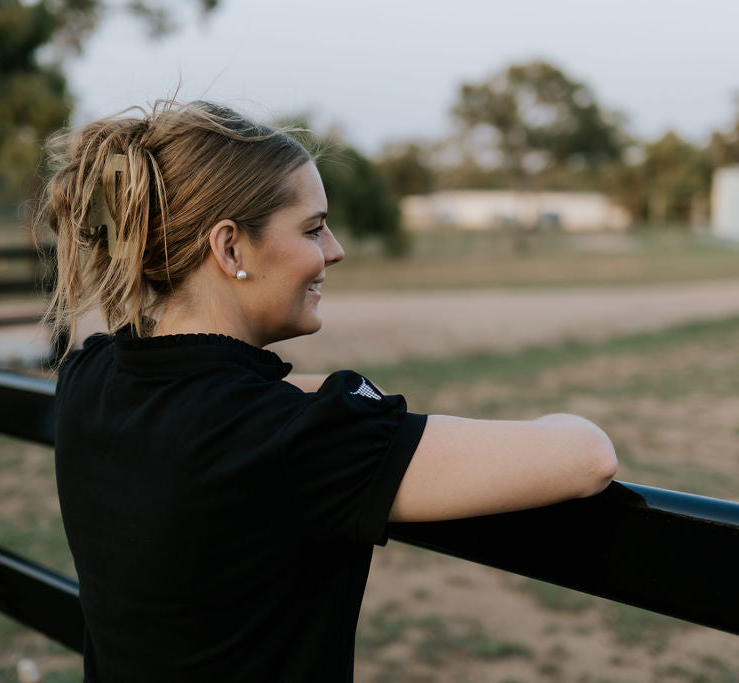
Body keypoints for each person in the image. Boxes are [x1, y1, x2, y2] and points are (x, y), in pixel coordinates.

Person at [35, 100, 617, 682]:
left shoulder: (91, 377)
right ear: (230, 248)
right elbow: (588, 457)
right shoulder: (295, 438)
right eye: (313, 228)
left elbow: (210, 394)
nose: (334, 250)